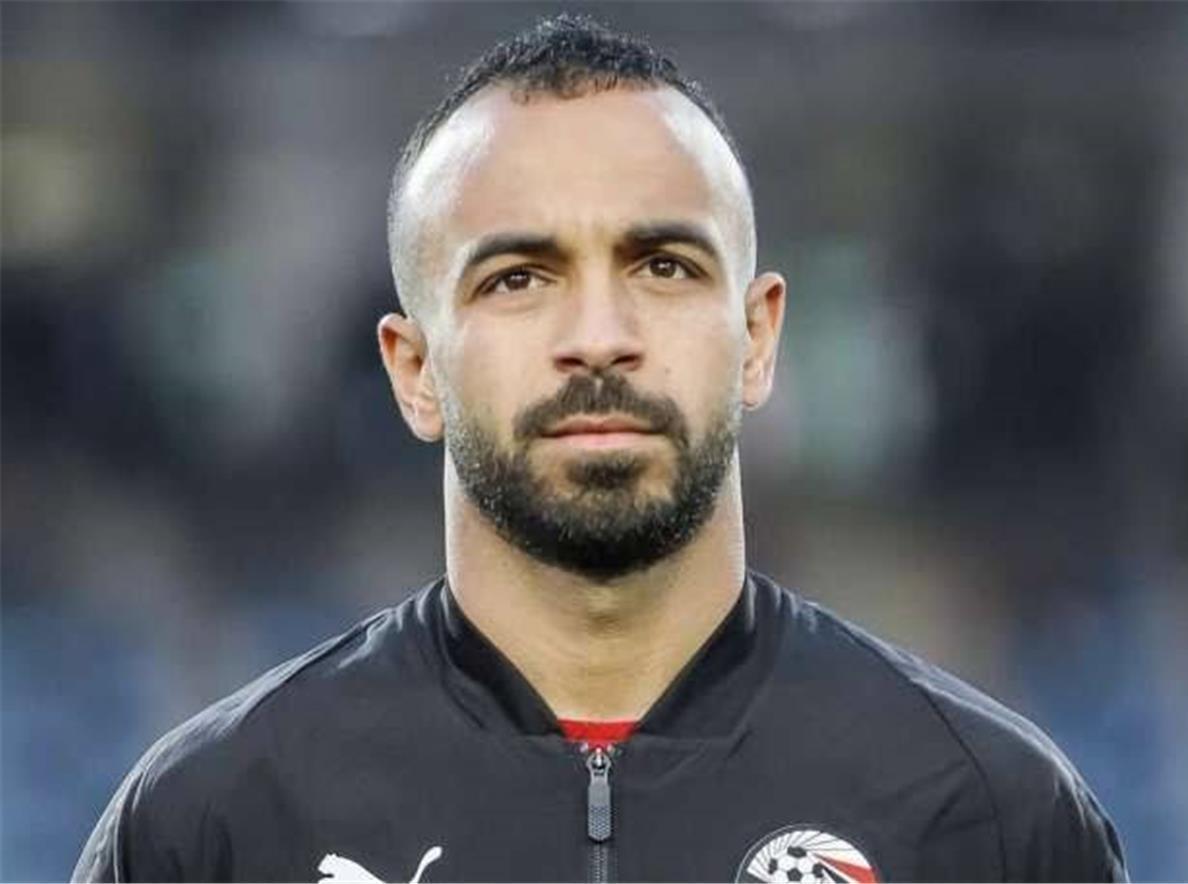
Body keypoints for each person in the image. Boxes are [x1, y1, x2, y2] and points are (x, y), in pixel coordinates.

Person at [74, 15, 1126, 883]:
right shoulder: (214, 824)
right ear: (414, 369)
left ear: (758, 337)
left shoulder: (988, 816)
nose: (598, 335)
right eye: (518, 278)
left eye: (663, 266)